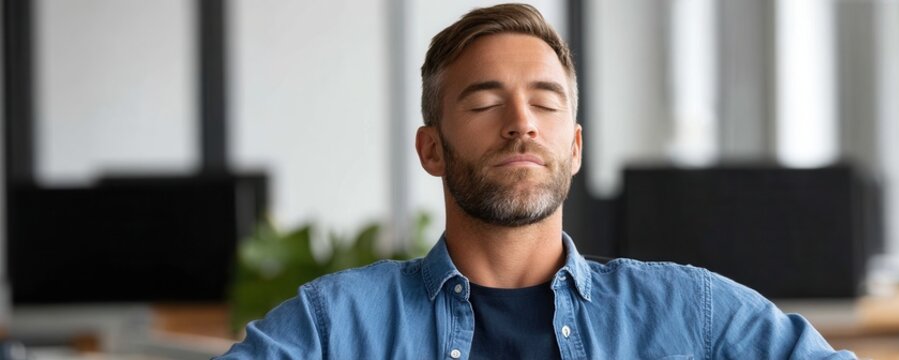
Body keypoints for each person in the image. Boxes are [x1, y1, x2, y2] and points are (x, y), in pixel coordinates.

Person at [218, 3, 855, 359]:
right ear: (432, 149)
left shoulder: (692, 314)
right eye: (484, 102)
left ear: (573, 148)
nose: (521, 122)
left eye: (546, 103)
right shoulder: (338, 325)